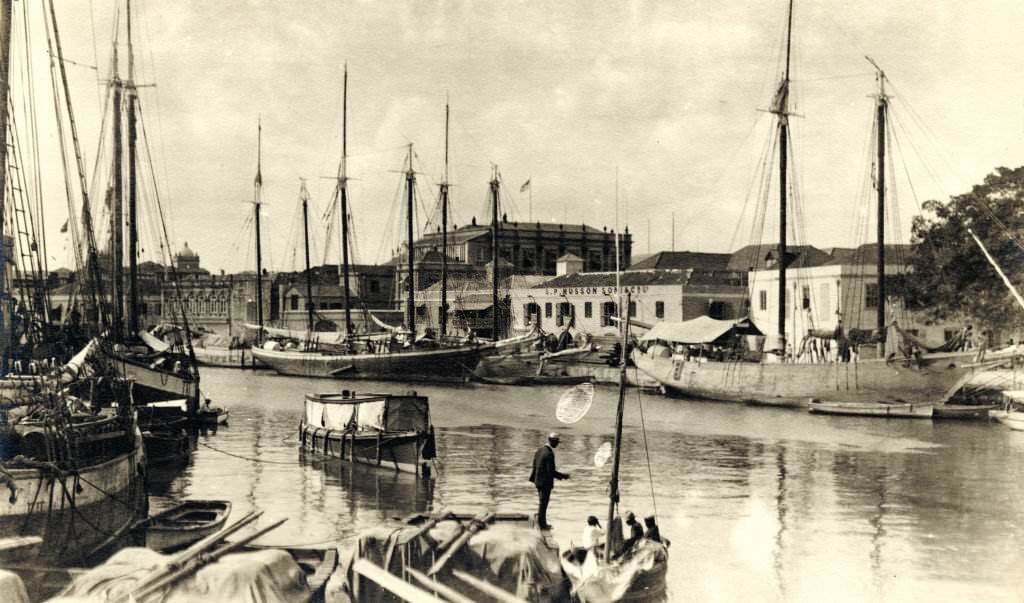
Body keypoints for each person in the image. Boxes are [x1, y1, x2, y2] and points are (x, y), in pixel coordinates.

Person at [528, 432, 569, 530]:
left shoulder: (540, 450)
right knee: (544, 503)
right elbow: (551, 471)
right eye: (557, 442)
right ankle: (542, 525)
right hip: (545, 483)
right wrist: (563, 476)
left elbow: (534, 465)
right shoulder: (549, 454)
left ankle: (541, 522)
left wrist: (535, 478)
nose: (557, 444)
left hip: (538, 481)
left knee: (542, 502)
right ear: (552, 441)